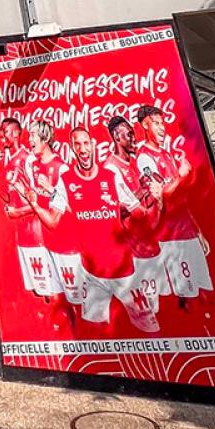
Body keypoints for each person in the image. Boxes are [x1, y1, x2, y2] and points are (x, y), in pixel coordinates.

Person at [63, 127, 159, 332]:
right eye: (77, 144)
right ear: (72, 149)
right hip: (91, 272)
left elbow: (138, 212)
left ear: (93, 145)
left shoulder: (110, 176)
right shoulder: (67, 182)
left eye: (86, 143)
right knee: (94, 328)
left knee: (149, 328)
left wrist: (156, 199)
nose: (82, 149)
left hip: (122, 270)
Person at [135, 105, 213, 299]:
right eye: (156, 124)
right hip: (172, 240)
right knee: (188, 296)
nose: (162, 128)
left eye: (163, 123)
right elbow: (162, 197)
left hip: (188, 234)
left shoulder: (166, 154)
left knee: (204, 291)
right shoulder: (145, 158)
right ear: (145, 125)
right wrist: (182, 175)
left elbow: (180, 200)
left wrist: (197, 231)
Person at [102, 115, 170, 315]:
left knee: (164, 305)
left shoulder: (134, 162)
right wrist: (143, 190)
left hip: (153, 241)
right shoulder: (111, 168)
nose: (134, 138)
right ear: (116, 136)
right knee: (150, 310)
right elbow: (117, 209)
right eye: (129, 134)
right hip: (136, 250)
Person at [16, 120, 81, 304]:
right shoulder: (34, 165)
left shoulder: (61, 168)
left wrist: (52, 189)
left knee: (75, 298)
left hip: (66, 244)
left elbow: (73, 209)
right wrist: (25, 192)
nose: (30, 140)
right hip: (46, 241)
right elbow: (38, 200)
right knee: (53, 297)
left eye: (33, 136)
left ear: (45, 138)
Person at [0, 117, 53, 296]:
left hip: (36, 234)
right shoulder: (10, 161)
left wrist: (17, 212)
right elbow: (10, 199)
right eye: (1, 131)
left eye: (6, 131)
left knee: (48, 290)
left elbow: (41, 200)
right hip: (23, 236)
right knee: (36, 291)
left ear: (17, 132)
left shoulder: (28, 159)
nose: (3, 135)